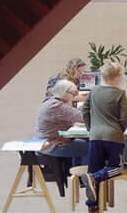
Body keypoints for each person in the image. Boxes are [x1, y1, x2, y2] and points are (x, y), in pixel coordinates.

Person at [36, 80, 98, 208]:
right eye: (73, 92)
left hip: (51, 141)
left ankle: (82, 177)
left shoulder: (52, 102)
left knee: (85, 141)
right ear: (65, 93)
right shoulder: (58, 107)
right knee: (91, 147)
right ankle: (89, 180)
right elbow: (83, 118)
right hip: (53, 145)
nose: (76, 94)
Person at [83, 61, 127, 207]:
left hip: (95, 136)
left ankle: (93, 205)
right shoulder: (120, 93)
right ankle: (95, 178)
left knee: (94, 167)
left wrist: (91, 128)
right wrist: (119, 131)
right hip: (113, 137)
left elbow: (84, 110)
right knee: (117, 168)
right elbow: (124, 118)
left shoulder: (94, 91)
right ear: (117, 77)